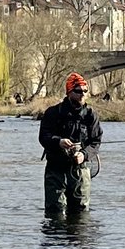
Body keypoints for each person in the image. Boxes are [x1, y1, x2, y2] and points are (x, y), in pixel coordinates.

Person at [38, 73, 103, 216]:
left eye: (85, 91)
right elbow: (44, 137)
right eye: (78, 91)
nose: (82, 94)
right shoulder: (53, 113)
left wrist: (84, 155)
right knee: (55, 212)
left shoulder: (91, 115)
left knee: (80, 213)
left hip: (80, 169)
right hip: (55, 169)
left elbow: (96, 142)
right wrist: (58, 142)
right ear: (69, 92)